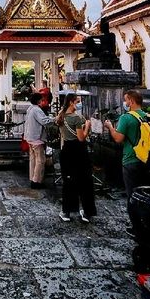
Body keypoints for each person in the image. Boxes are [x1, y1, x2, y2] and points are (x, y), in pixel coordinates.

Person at [104, 89, 148, 234]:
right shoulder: (148, 116)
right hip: (146, 160)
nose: (125, 103)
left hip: (131, 159)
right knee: (144, 192)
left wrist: (110, 127)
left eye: (126, 100)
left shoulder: (126, 117)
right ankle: (147, 222)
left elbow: (118, 138)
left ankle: (137, 227)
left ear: (131, 101)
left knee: (132, 194)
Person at [56, 93, 96, 222]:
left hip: (67, 150)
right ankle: (86, 211)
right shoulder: (76, 118)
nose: (79, 104)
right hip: (79, 150)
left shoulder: (60, 116)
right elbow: (81, 137)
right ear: (72, 102)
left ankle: (66, 211)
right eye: (77, 101)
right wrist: (88, 127)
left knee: (69, 181)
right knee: (85, 181)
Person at [24, 92, 56, 189]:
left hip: (30, 137)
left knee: (33, 159)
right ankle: (36, 181)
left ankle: (32, 178)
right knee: (41, 160)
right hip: (36, 138)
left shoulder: (30, 108)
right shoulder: (37, 110)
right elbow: (44, 121)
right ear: (38, 101)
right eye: (42, 100)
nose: (43, 102)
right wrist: (55, 119)